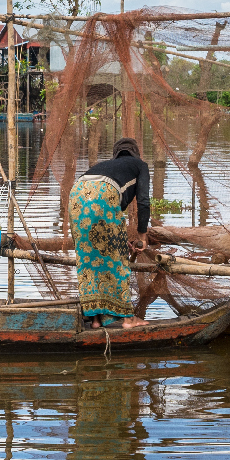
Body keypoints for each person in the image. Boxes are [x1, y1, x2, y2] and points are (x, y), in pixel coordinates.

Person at [70, 138, 151, 329]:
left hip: (77, 192)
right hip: (104, 193)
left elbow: (109, 222)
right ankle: (128, 319)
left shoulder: (105, 166)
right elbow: (143, 201)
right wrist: (142, 235)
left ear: (116, 155)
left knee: (87, 257)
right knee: (118, 259)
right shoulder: (140, 165)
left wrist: (121, 239)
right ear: (136, 154)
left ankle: (96, 319)